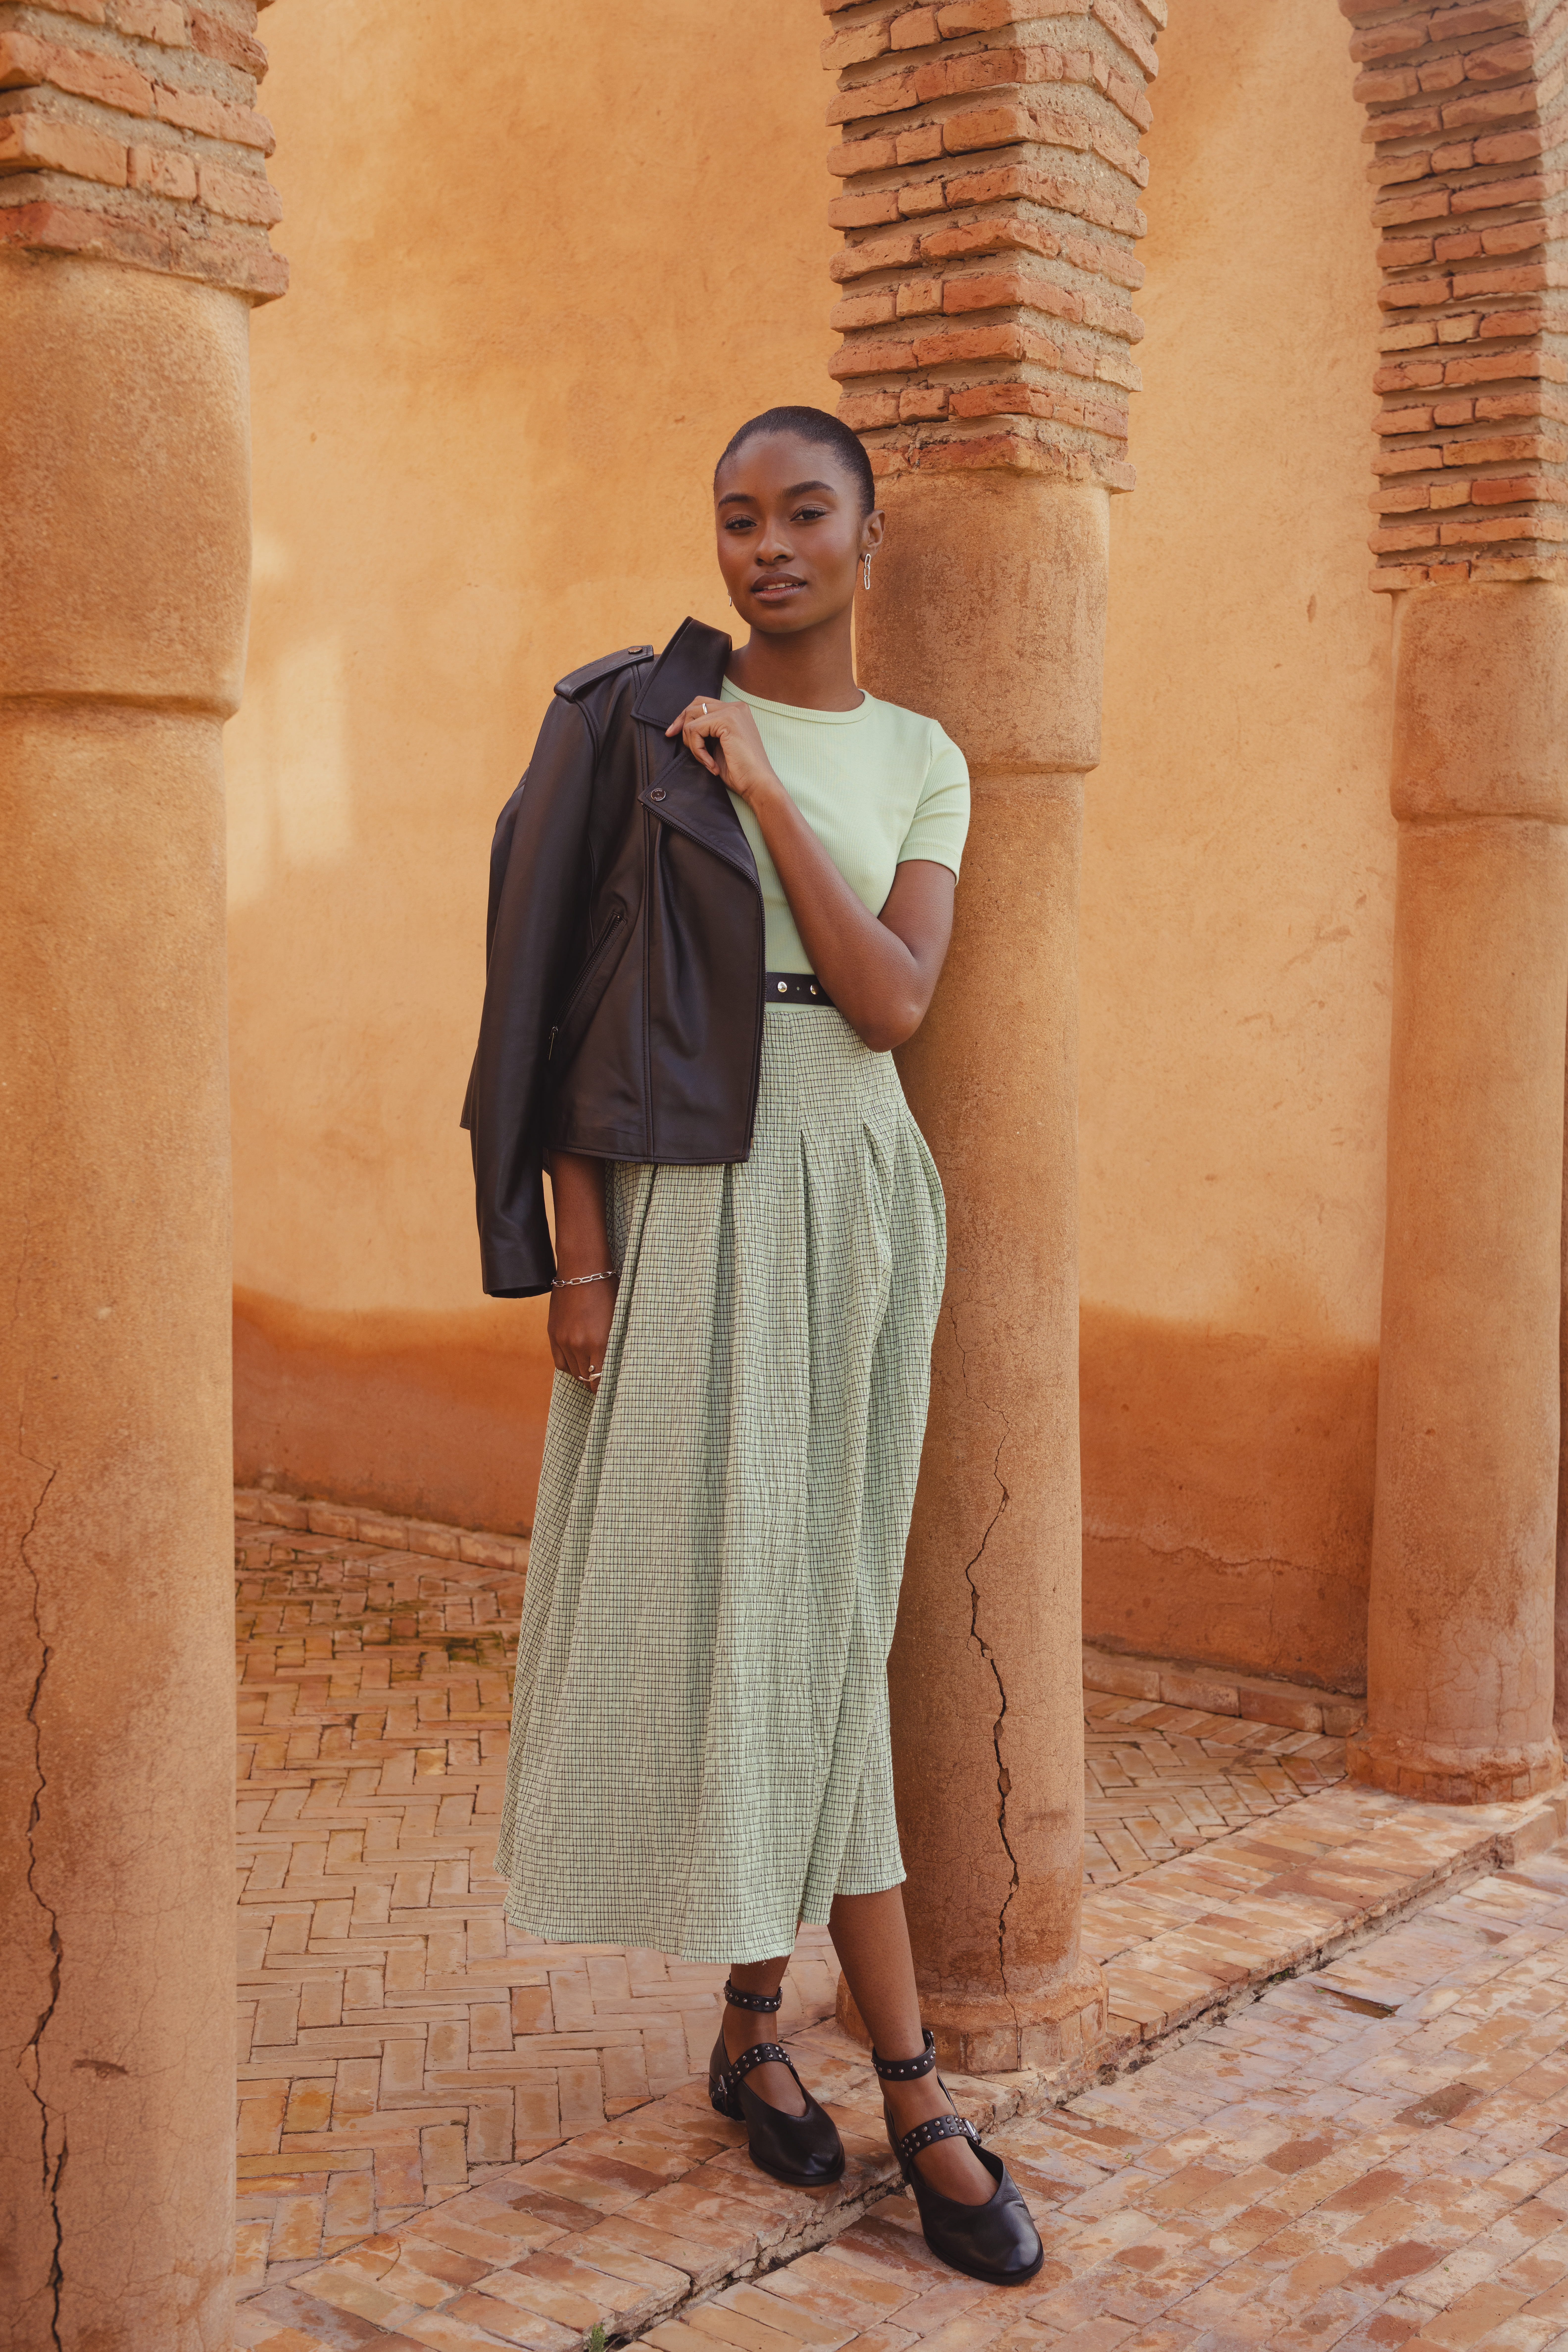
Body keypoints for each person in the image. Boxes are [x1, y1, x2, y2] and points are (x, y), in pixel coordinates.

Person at [464, 405, 1041, 2285]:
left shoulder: (924, 759)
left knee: (834, 1615)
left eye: (807, 514)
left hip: (861, 1196)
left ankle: (744, 2029)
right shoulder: (632, 723)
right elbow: (558, 990)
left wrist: (775, 795)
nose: (767, 545)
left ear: (870, 541)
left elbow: (889, 1001)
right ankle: (914, 2089)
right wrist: (576, 1255)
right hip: (695, 1203)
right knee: (791, 1626)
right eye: (737, 517)